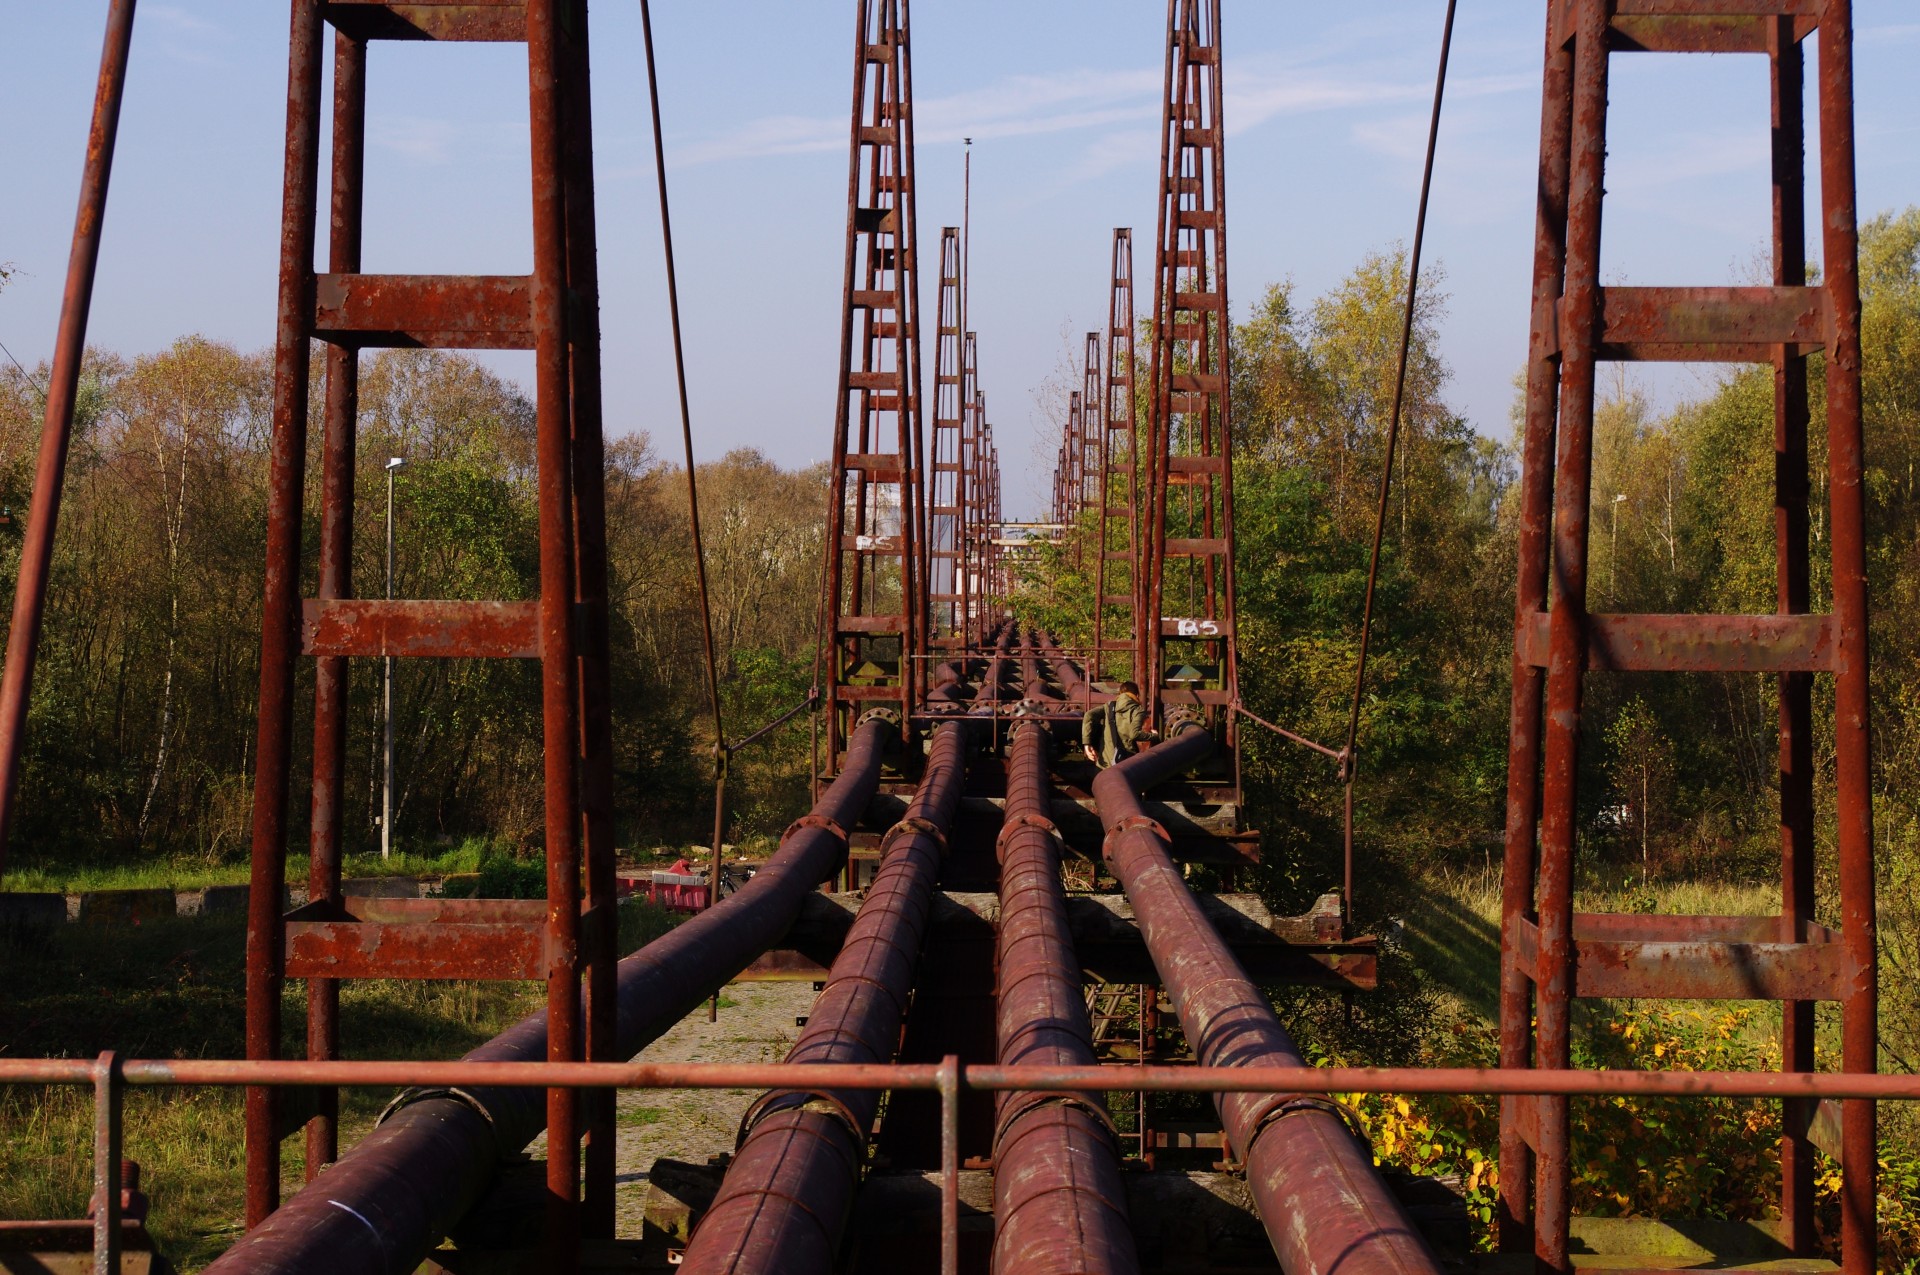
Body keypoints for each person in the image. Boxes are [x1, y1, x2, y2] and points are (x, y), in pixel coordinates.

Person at [1083, 681, 1148, 768]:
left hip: (1105, 764)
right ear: (1137, 695)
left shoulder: (1109, 707)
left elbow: (1088, 715)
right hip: (1127, 763)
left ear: (1120, 694)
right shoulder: (1137, 710)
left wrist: (1087, 743)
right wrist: (1153, 736)